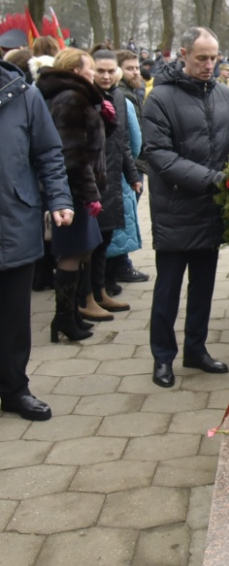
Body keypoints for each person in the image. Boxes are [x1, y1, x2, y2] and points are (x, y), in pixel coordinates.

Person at [142, 27, 229, 388]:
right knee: (167, 290)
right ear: (184, 54)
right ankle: (162, 358)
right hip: (176, 209)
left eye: (214, 58)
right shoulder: (160, 99)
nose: (210, 65)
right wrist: (213, 179)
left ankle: (196, 350)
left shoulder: (223, 94)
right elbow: (160, 157)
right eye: (202, 58)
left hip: (211, 211)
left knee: (203, 288)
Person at [0, 59, 74, 420]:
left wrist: (59, 199)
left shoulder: (24, 96)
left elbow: (47, 152)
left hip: (13, 219)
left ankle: (14, 389)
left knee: (14, 317)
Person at [35, 49, 112, 342]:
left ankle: (72, 313)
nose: (94, 73)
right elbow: (72, 153)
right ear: (77, 71)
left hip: (83, 188)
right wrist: (89, 192)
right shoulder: (70, 97)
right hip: (74, 190)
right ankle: (64, 318)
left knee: (84, 248)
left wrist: (107, 117)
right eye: (90, 68)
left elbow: (95, 139)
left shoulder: (80, 95)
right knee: (71, 251)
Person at [86, 49, 142, 317]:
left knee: (104, 238)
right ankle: (84, 299)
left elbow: (122, 144)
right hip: (88, 182)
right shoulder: (83, 97)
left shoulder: (118, 97)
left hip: (110, 180)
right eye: (100, 71)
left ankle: (99, 293)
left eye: (110, 71)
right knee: (88, 244)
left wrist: (132, 176)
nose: (106, 76)